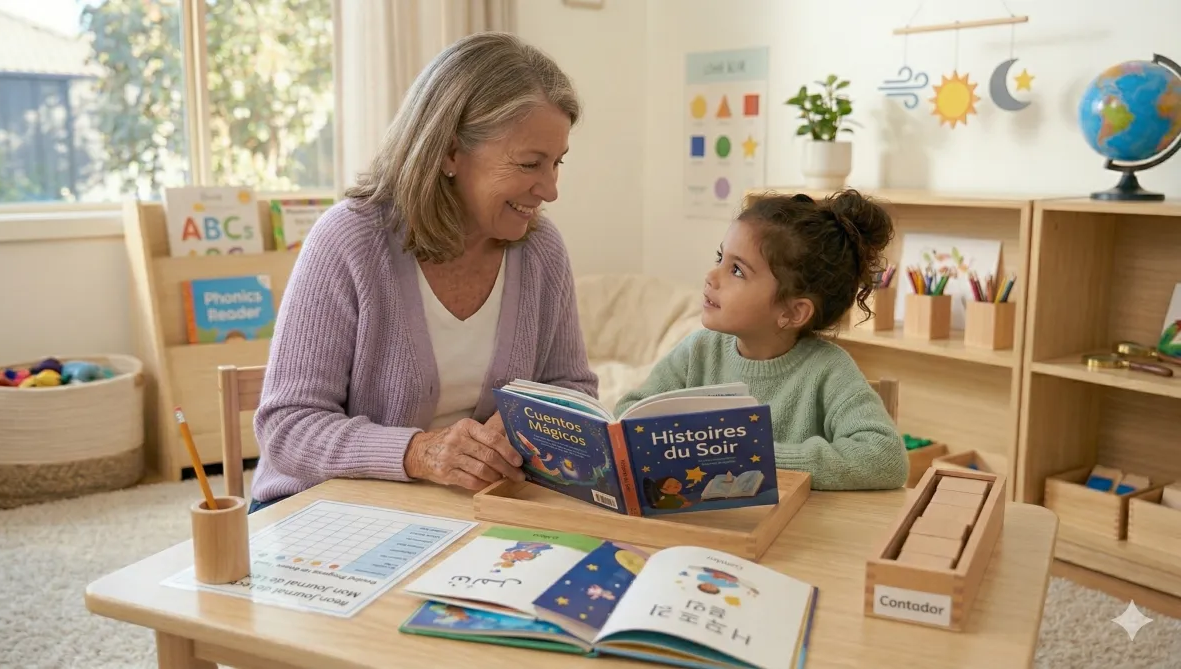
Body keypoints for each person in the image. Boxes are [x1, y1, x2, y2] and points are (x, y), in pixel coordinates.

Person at [248, 32, 598, 513]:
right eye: (529, 164)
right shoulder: (349, 240)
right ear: (450, 152)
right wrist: (419, 453)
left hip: (463, 510)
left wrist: (528, 424)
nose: (550, 189)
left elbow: (573, 388)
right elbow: (287, 427)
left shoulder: (541, 249)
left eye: (556, 163)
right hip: (327, 509)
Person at [614, 190, 908, 491]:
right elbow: (628, 413)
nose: (711, 276)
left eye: (737, 270)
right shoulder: (698, 351)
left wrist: (759, 456)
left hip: (795, 519)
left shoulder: (829, 370)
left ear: (792, 312)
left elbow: (886, 458)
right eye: (720, 258)